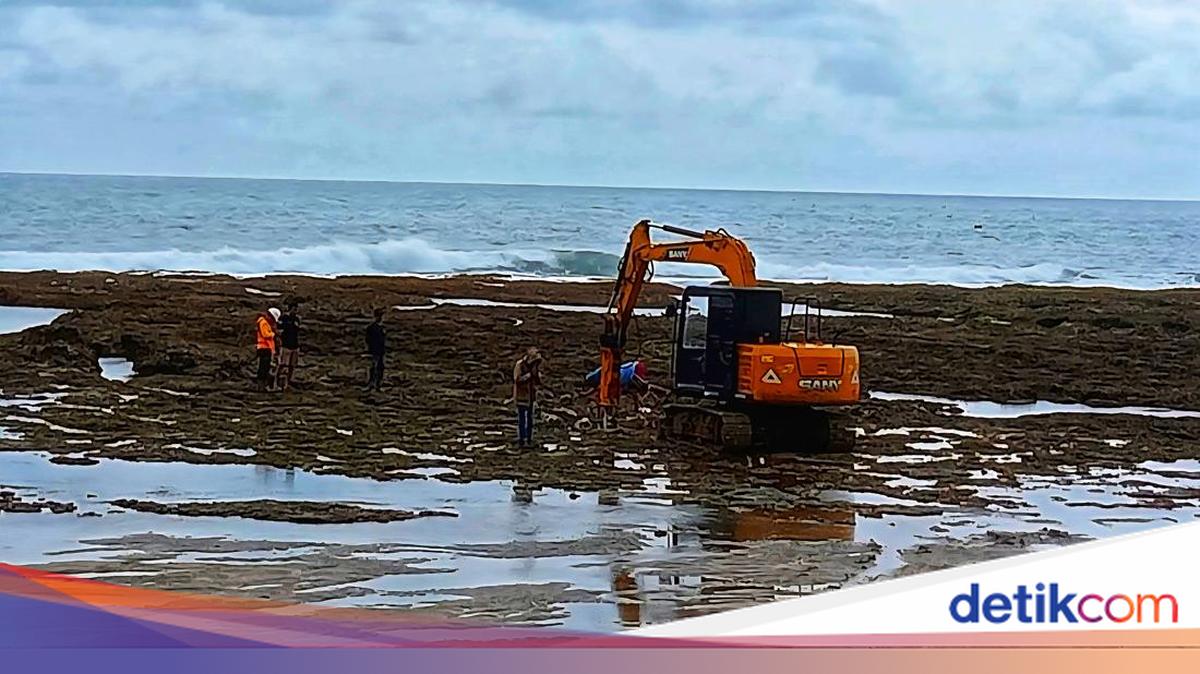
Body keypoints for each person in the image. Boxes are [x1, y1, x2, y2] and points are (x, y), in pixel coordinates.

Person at [512, 347, 543, 447]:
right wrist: (528, 376)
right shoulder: (520, 365)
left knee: (530, 418)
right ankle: (522, 439)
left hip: (531, 396)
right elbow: (517, 379)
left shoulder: (534, 367)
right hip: (522, 395)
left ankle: (529, 439)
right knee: (522, 418)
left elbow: (538, 382)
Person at [275, 302, 301, 390]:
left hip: (295, 345)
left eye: (296, 309)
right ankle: (277, 381)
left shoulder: (297, 319)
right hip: (286, 345)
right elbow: (278, 329)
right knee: (283, 365)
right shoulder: (284, 318)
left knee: (292, 366)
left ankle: (287, 383)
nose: (296, 311)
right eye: (294, 309)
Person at [254, 307, 280, 391]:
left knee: (265, 367)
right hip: (263, 348)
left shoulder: (265, 323)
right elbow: (265, 334)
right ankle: (260, 386)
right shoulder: (263, 322)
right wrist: (273, 334)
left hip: (267, 348)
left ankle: (262, 385)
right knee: (263, 367)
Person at [365, 307, 386, 391]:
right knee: (375, 367)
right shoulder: (373, 328)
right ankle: (373, 384)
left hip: (379, 351)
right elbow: (369, 339)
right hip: (376, 350)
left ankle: (376, 384)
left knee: (379, 367)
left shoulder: (378, 328)